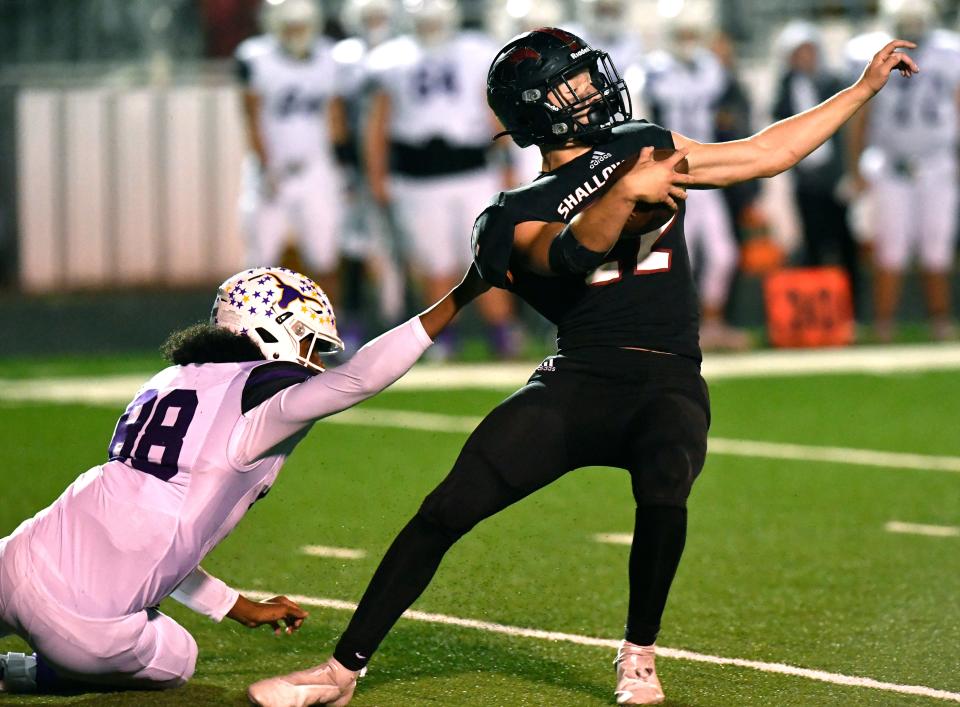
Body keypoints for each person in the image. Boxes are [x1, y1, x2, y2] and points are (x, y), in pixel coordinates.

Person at [249, 27, 918, 707]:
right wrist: (625, 194)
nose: (594, 88)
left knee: (667, 469)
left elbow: (766, 152)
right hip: (579, 379)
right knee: (447, 506)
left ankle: (639, 653)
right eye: (573, 82)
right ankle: (339, 671)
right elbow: (570, 251)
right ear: (537, 108)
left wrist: (861, 90)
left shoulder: (641, 144)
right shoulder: (508, 217)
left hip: (666, 374)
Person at [0, 265, 490, 695]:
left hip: (16, 558)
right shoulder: (255, 399)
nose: (315, 362)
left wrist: (238, 606)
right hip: (78, 627)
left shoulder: (168, 381)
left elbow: (141, 538)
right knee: (177, 657)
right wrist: (462, 295)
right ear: (272, 331)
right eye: (309, 343)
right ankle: (20, 673)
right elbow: (358, 379)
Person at [364, 0, 524, 359]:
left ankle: (502, 333)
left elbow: (491, 111)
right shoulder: (390, 57)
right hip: (418, 175)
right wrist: (376, 175)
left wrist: (507, 159)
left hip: (472, 169)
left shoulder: (474, 50)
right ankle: (442, 340)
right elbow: (379, 121)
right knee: (434, 262)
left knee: (489, 255)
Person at [846, 0, 960, 341]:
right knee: (889, 249)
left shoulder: (949, 51)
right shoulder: (869, 51)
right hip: (889, 162)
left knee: (936, 247)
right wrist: (855, 167)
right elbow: (860, 113)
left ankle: (940, 322)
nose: (911, 29)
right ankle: (884, 325)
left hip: (936, 161)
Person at [644, 16, 750, 350]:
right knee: (672, 255)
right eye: (683, 34)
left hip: (704, 171)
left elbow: (731, 105)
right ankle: (670, 327)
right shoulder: (651, 71)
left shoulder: (711, 68)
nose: (688, 40)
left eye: (693, 33)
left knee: (723, 254)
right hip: (667, 173)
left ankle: (712, 323)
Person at [236, 0, 350, 300]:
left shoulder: (328, 57)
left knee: (325, 257)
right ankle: (252, 339)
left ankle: (326, 338)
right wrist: (265, 165)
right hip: (272, 168)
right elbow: (251, 117)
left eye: (301, 25)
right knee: (258, 264)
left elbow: (335, 117)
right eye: (290, 26)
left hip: (317, 168)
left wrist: (343, 166)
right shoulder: (257, 57)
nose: (296, 33)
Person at [773, 21, 861, 318]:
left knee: (845, 247)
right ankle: (817, 316)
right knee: (811, 247)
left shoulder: (833, 82)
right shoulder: (784, 88)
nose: (805, 57)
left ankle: (853, 312)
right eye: (799, 52)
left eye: (809, 51)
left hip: (834, 177)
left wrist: (849, 172)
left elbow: (847, 131)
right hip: (805, 180)